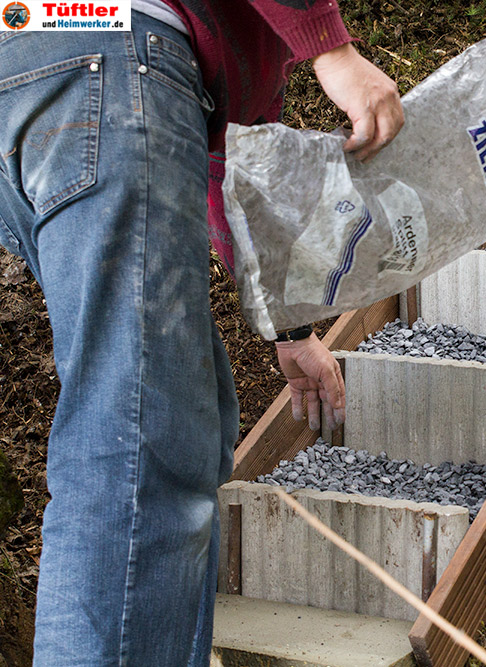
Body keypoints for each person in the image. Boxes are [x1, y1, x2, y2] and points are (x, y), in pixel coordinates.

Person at [0, 1, 404, 663]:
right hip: (111, 55)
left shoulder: (229, 53)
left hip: (26, 44)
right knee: (138, 444)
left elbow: (227, 177)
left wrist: (289, 328)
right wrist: (331, 49)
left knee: (190, 411)